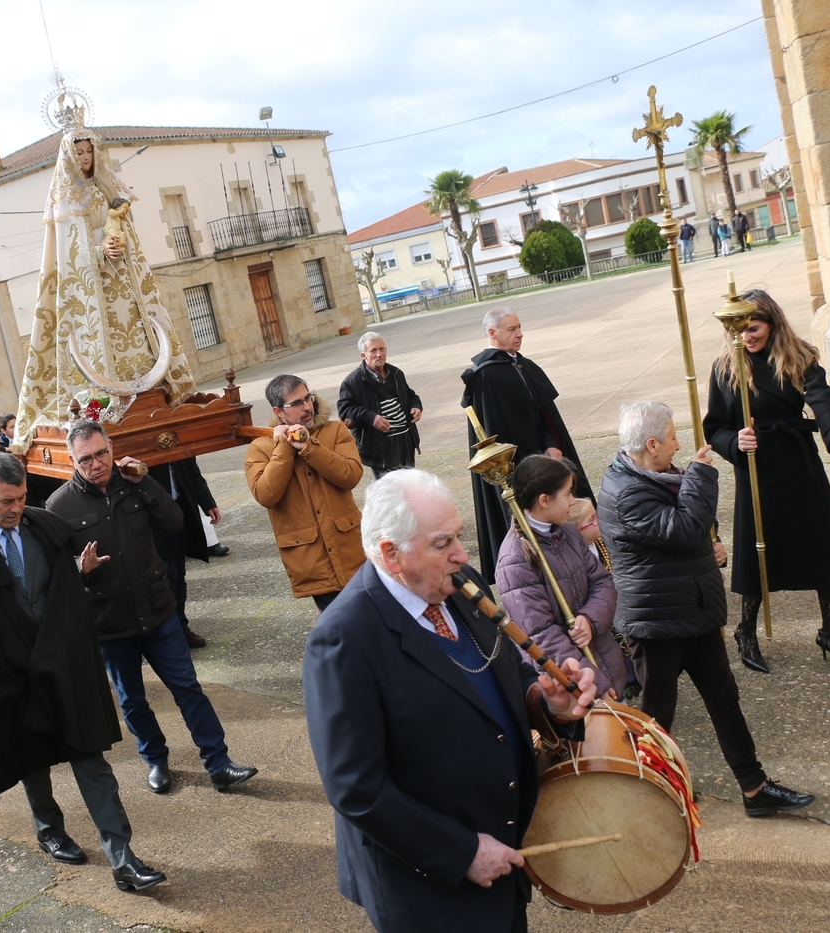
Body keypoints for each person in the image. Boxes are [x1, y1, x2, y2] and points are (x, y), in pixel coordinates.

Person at [303, 469, 597, 933]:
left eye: (458, 535)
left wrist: (549, 705)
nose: (462, 554)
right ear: (391, 554)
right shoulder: (344, 638)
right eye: (443, 543)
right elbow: (355, 789)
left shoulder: (459, 584)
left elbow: (509, 672)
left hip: (502, 850)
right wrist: (462, 853)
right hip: (427, 887)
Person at [0, 451, 166, 891]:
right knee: (31, 760)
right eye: (6, 501)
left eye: (21, 497)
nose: (17, 508)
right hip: (8, 678)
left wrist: (81, 578)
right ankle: (49, 830)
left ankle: (123, 859)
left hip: (61, 666)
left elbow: (62, 595)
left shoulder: (45, 527)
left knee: (91, 759)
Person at [599, 400, 815, 818]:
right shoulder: (625, 492)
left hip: (693, 610)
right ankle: (645, 792)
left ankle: (754, 788)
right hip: (658, 622)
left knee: (725, 700)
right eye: (672, 437)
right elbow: (684, 529)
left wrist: (710, 547)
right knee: (657, 716)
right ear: (651, 444)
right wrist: (701, 473)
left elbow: (686, 532)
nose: (678, 445)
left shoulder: (655, 475)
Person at [48, 419, 257, 795]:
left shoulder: (135, 483)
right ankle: (156, 760)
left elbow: (174, 522)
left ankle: (219, 763)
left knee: (188, 689)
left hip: (158, 611)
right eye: (85, 459)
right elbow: (56, 571)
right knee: (132, 700)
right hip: (111, 623)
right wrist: (80, 566)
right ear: (72, 461)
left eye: (101, 454)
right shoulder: (59, 505)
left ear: (111, 449)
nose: (96, 464)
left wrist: (145, 482)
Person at [703, 289, 830, 673]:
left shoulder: (799, 355)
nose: (746, 337)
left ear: (772, 323)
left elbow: (823, 400)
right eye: (739, 330)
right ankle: (746, 631)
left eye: (754, 328)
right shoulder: (726, 367)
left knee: (822, 547)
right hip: (756, 470)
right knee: (757, 553)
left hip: (799, 464)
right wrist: (735, 442)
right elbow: (716, 427)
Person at [12, 130, 196, 448]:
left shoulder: (103, 187)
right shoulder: (65, 198)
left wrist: (120, 239)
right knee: (98, 348)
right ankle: (105, 409)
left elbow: (124, 228)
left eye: (89, 151)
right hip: (91, 292)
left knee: (141, 332)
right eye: (79, 153)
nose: (85, 158)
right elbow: (69, 255)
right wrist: (99, 252)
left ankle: (155, 395)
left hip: (121, 281)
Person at [461, 307, 592, 584]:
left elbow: (543, 414)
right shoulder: (484, 376)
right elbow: (495, 432)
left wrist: (552, 444)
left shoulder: (522, 365)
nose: (520, 334)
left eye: (520, 327)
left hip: (544, 456)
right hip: (518, 468)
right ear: (492, 333)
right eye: (512, 329)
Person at [494, 455, 627, 699]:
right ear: (544, 500)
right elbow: (541, 636)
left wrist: (589, 619)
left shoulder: (569, 533)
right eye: (567, 494)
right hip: (572, 687)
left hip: (604, 661)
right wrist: (593, 683)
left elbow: (602, 581)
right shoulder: (515, 560)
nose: (573, 501)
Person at [245, 374, 365, 611]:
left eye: (308, 398)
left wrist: (309, 447)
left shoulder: (335, 431)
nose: (308, 407)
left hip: (350, 550)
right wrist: (283, 449)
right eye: (297, 403)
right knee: (341, 624)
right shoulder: (261, 447)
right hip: (312, 559)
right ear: (278, 411)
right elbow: (266, 495)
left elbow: (351, 475)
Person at [147, 456, 221, 648]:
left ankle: (181, 627)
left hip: (180, 511)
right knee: (166, 575)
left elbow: (191, 470)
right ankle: (168, 632)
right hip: (150, 515)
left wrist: (207, 502)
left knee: (179, 575)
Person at [337, 331, 423, 478]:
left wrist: (416, 406)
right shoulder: (352, 381)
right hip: (380, 446)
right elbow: (345, 411)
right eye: (373, 350)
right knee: (389, 487)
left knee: (409, 483)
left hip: (405, 440)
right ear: (363, 355)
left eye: (382, 349)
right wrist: (371, 418)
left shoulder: (396, 373)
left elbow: (410, 395)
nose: (379, 354)